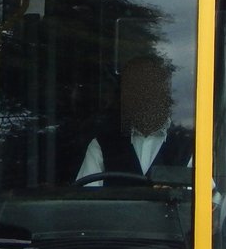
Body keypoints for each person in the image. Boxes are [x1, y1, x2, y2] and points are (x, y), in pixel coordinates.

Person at [75, 55, 192, 185]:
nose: (145, 96)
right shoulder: (101, 146)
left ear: (165, 94)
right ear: (124, 96)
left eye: (152, 87)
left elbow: (211, 201)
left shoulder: (190, 147)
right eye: (136, 88)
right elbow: (86, 201)